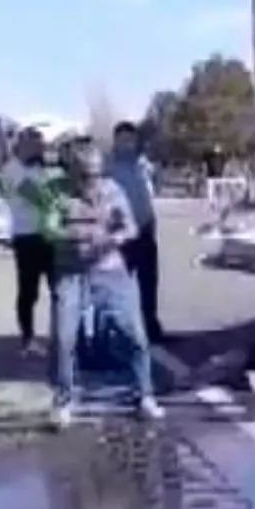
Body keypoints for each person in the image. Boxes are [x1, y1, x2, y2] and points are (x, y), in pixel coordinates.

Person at [48, 139, 163, 428]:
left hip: (110, 271)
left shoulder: (113, 190)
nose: (93, 180)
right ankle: (63, 401)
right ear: (72, 172)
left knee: (134, 335)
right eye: (86, 174)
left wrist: (111, 239)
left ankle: (145, 395)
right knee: (64, 339)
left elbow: (131, 228)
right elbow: (48, 229)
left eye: (97, 173)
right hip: (71, 275)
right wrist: (80, 237)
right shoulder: (55, 193)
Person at [105, 121, 166, 344]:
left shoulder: (143, 164)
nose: (127, 144)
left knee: (148, 283)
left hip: (146, 230)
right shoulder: (107, 167)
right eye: (122, 140)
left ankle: (151, 328)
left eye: (131, 140)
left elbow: (149, 192)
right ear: (115, 141)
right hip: (121, 235)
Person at [0, 127, 56, 357]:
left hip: (49, 236)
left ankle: (62, 336)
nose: (40, 149)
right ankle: (28, 339)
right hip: (27, 237)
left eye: (42, 145)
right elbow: (38, 197)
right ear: (21, 145)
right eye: (36, 144)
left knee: (59, 289)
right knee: (28, 292)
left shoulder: (40, 168)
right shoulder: (11, 169)